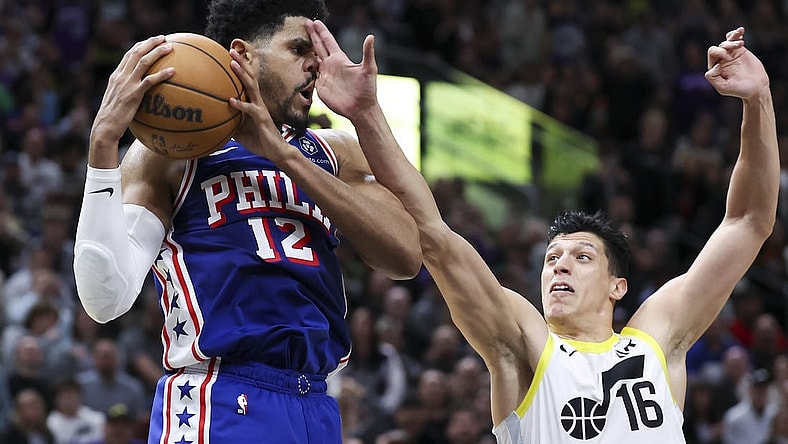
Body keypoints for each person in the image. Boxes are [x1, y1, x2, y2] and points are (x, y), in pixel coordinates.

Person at [345, 24, 779, 443]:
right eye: (552, 258)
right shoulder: (526, 342)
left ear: (618, 287)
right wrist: (367, 114)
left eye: (581, 257)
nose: (560, 266)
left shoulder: (655, 342)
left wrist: (758, 99)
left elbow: (748, 222)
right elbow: (436, 238)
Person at [72, 1, 420, 443]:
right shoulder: (173, 150)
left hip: (315, 402)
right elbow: (106, 297)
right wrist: (103, 145)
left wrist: (285, 156)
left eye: (319, 54)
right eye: (299, 49)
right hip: (218, 395)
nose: (316, 65)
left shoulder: (335, 152)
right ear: (244, 54)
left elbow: (405, 256)